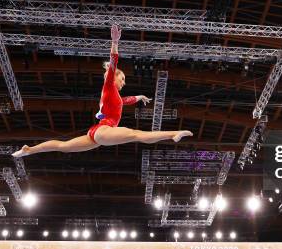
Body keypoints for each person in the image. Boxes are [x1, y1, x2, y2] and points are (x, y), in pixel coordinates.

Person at [12, 24, 193, 158]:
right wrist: (114, 42)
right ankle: (173, 134)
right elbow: (113, 61)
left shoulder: (113, 95)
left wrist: (140, 97)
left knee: (63, 145)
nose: (123, 82)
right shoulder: (109, 85)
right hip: (103, 131)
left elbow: (125, 101)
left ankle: (30, 150)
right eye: (122, 79)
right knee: (137, 135)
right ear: (113, 77)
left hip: (96, 132)